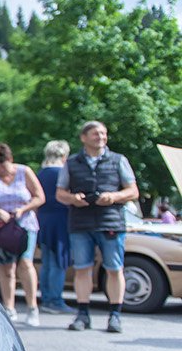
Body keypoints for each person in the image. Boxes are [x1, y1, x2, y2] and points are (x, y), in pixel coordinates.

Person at [56, 121, 139, 333]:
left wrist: (114, 196)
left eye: (103, 133)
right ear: (84, 137)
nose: (101, 137)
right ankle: (83, 314)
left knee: (114, 268)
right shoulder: (71, 163)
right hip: (80, 222)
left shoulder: (119, 160)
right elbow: (60, 193)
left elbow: (133, 191)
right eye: (96, 134)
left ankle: (115, 315)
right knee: (82, 269)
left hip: (111, 222)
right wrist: (73, 199)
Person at [0, 143, 45, 326]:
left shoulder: (24, 172)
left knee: (25, 263)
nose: (0, 170)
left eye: (3, 166)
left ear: (10, 160)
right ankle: (9, 307)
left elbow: (40, 197)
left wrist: (23, 209)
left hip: (24, 225)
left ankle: (32, 307)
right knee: (6, 268)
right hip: (0, 229)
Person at [36, 140, 74, 314]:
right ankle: (55, 300)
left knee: (47, 262)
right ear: (64, 155)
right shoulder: (62, 173)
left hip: (43, 221)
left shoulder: (41, 173)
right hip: (61, 220)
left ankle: (46, 298)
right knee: (59, 262)